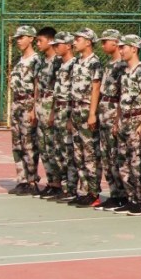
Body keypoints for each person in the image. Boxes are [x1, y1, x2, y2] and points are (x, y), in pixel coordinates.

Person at [114, 35, 141, 215]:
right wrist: (117, 120)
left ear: (134, 49)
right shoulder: (125, 72)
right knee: (123, 162)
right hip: (124, 120)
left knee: (137, 163)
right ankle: (131, 198)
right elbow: (121, 98)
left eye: (124, 47)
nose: (121, 50)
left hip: (136, 119)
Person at [70, 28, 103, 207]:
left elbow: (96, 88)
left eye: (78, 39)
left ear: (88, 42)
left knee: (90, 153)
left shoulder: (94, 63)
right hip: (75, 110)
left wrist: (92, 113)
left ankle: (93, 192)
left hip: (86, 109)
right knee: (78, 153)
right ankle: (83, 190)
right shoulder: (76, 62)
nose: (75, 42)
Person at [95, 29, 127, 211]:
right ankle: (114, 193)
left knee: (116, 155)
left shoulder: (122, 66)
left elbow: (123, 94)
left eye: (105, 41)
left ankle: (122, 195)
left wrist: (117, 119)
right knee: (106, 156)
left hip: (115, 111)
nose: (103, 45)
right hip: (104, 111)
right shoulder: (108, 65)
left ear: (115, 42)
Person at [8, 25, 41, 196]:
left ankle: (32, 181)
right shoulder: (20, 60)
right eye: (17, 38)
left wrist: (34, 109)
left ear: (31, 38)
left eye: (22, 37)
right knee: (17, 144)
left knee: (29, 143)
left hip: (28, 103)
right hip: (17, 103)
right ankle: (21, 180)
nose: (18, 41)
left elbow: (37, 86)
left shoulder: (36, 61)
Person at [47, 32, 77, 203]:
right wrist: (52, 112)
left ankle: (71, 188)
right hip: (58, 109)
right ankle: (63, 186)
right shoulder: (60, 65)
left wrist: (71, 117)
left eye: (58, 45)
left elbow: (74, 94)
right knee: (58, 150)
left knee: (68, 151)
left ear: (68, 46)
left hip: (68, 110)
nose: (55, 48)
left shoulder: (74, 65)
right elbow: (56, 92)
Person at [34, 27, 63, 199]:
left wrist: (53, 111)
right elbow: (37, 85)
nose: (38, 44)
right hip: (41, 105)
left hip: (52, 105)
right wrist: (34, 107)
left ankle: (58, 183)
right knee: (43, 147)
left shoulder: (58, 62)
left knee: (53, 146)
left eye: (40, 40)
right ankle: (51, 182)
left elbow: (59, 89)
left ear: (51, 41)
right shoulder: (41, 61)